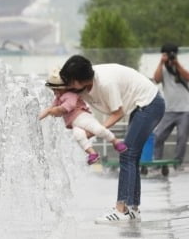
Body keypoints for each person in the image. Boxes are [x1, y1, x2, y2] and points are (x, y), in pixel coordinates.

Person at [59, 55, 165, 223]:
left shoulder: (106, 83)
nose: (67, 85)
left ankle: (121, 209)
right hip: (141, 105)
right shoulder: (83, 86)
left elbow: (118, 113)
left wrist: (92, 133)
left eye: (70, 81)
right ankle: (133, 208)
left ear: (81, 81)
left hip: (150, 104)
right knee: (132, 156)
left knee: (127, 154)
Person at [39, 69, 128, 165]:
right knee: (79, 136)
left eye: (57, 89)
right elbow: (51, 109)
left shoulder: (71, 95)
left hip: (83, 117)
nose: (55, 92)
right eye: (53, 89)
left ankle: (115, 141)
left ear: (65, 87)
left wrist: (53, 111)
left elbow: (68, 106)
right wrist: (40, 117)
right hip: (74, 123)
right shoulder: (58, 99)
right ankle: (92, 153)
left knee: (98, 129)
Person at [153, 44, 189, 170]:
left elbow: (188, 77)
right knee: (158, 136)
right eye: (167, 54)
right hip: (168, 110)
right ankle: (156, 163)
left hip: (185, 110)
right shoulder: (162, 68)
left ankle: (177, 164)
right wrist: (161, 62)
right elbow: (156, 79)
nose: (169, 57)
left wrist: (177, 64)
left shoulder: (182, 65)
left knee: (182, 138)